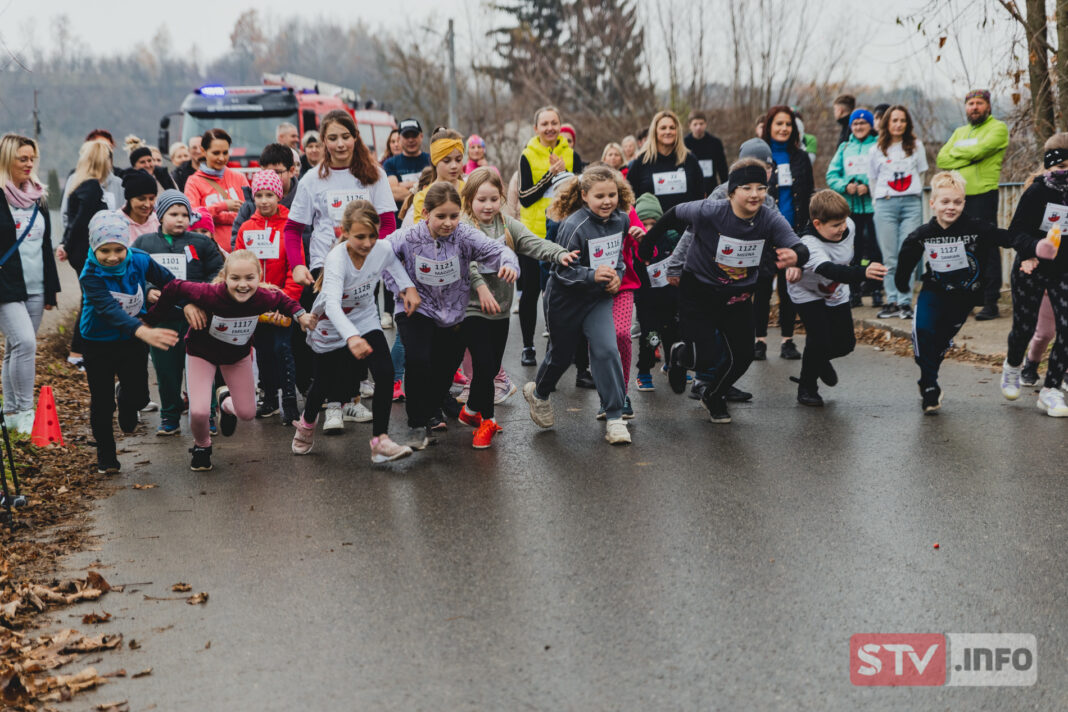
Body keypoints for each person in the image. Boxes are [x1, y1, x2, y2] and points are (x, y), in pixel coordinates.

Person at [645, 160, 809, 424]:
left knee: (743, 356)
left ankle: (713, 395)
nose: (755, 194)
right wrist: (647, 245)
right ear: (732, 192)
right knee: (703, 358)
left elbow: (798, 245)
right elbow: (674, 214)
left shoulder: (769, 218)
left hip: (736, 297)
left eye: (761, 188)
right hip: (699, 292)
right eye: (747, 188)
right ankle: (678, 356)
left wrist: (797, 256)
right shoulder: (711, 210)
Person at [147, 250, 314, 470]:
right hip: (201, 353)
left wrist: (301, 315)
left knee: (247, 414)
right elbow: (174, 286)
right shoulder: (209, 294)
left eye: (249, 278)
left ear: (259, 277)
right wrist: (150, 320)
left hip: (236, 357)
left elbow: (284, 301)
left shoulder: (263, 297)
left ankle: (225, 403)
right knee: (199, 411)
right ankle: (202, 446)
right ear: (225, 277)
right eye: (235, 278)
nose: (242, 285)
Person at [387, 182, 518, 450]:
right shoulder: (408, 237)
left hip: (453, 312)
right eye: (441, 216)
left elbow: (497, 250)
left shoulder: (464, 235)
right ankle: (416, 425)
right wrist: (404, 287)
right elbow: (382, 257)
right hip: (416, 308)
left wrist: (508, 263)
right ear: (426, 214)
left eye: (454, 216)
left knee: (444, 370)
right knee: (418, 360)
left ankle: (430, 409)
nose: (448, 223)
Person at [460, 168, 577, 448]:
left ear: (501, 198)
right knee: (484, 365)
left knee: (490, 368)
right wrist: (480, 286)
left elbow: (533, 243)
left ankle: (471, 410)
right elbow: (466, 265)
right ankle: (487, 421)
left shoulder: (507, 225)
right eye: (481, 200)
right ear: (469, 200)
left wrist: (559, 253)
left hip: (500, 308)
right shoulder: (463, 227)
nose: (488, 206)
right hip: (471, 308)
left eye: (493, 199)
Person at [297, 200, 420, 460]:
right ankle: (306, 425)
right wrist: (351, 337)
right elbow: (331, 305)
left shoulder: (381, 248)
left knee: (385, 373)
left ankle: (380, 441)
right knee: (324, 382)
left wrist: (408, 287)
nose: (367, 243)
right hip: (330, 322)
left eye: (372, 236)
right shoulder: (336, 259)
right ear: (345, 232)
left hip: (364, 317)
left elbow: (393, 264)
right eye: (360, 237)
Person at [523, 166, 633, 445]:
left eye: (612, 195)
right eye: (600, 196)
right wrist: (592, 275)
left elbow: (618, 258)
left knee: (607, 350)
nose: (607, 202)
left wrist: (617, 277)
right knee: (561, 356)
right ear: (584, 196)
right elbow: (559, 270)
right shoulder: (573, 225)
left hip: (597, 298)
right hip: (565, 299)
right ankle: (539, 393)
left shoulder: (621, 219)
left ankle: (615, 417)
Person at [896, 171, 1012, 413]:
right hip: (933, 290)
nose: (951, 207)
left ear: (964, 203)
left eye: (957, 202)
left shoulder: (976, 228)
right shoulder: (924, 234)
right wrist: (901, 282)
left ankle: (927, 377)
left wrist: (1033, 247)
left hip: (963, 297)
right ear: (933, 203)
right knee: (923, 330)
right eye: (945, 201)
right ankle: (930, 387)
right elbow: (907, 255)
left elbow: (1005, 237)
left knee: (939, 343)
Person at [79, 211, 180, 473]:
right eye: (104, 251)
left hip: (131, 342)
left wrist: (190, 302)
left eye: (118, 249)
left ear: (126, 246)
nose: (112, 257)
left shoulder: (140, 260)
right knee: (102, 402)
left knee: (139, 397)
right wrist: (143, 330)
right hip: (98, 342)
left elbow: (172, 283)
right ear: (94, 248)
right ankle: (107, 456)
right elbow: (109, 310)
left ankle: (126, 399)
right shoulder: (90, 274)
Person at [131, 190, 225, 435]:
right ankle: (170, 417)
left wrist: (199, 296)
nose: (181, 219)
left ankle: (207, 415)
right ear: (160, 216)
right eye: (174, 214)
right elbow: (132, 274)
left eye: (185, 214)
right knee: (167, 372)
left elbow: (217, 274)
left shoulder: (202, 243)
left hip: (198, 319)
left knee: (202, 370)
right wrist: (148, 290)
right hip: (161, 320)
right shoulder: (143, 244)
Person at [786, 190, 887, 406]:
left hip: (835, 289)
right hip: (807, 290)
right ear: (817, 224)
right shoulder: (809, 244)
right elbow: (831, 270)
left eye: (843, 222)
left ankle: (819, 360)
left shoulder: (848, 225)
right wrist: (863, 272)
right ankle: (807, 388)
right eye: (835, 225)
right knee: (819, 338)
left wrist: (859, 267)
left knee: (845, 344)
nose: (842, 228)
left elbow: (850, 256)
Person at [999, 133, 1068, 416]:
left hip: (1063, 270)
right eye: (1061, 167)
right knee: (1025, 328)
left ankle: (1051, 389)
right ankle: (1013, 365)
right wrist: (1033, 250)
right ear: (1050, 165)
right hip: (1032, 266)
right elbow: (1015, 233)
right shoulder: (1038, 192)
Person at [0, 134, 59, 433]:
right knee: (25, 343)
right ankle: (24, 411)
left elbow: (46, 245)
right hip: (6, 286)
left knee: (15, 348)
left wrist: (51, 289)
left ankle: (10, 413)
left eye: (32, 158)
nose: (28, 164)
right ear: (6, 159)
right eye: (22, 158)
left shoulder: (38, 196)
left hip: (36, 286)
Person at [234, 170, 303, 425]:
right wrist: (248, 300)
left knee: (282, 349)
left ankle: (290, 402)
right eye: (259, 195)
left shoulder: (289, 227)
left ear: (279, 196)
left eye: (269, 195)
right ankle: (270, 399)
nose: (264, 201)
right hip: (255, 304)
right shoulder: (246, 228)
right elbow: (237, 265)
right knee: (263, 351)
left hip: (282, 303)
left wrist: (286, 301)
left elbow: (295, 267)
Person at [518, 106, 584, 367]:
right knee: (531, 291)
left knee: (560, 293)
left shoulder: (572, 155)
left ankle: (558, 348)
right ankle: (528, 347)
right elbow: (524, 197)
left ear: (560, 125)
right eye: (544, 124)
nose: (549, 128)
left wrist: (568, 177)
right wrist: (550, 176)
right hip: (533, 235)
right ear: (536, 128)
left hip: (564, 234)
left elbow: (582, 195)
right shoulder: (527, 154)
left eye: (554, 123)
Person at [936, 89, 1010, 321]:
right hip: (959, 197)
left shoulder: (998, 128)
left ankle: (990, 302)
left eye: (979, 103)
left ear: (988, 106)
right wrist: (970, 155)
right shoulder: (959, 132)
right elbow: (942, 158)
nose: (974, 107)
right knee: (960, 247)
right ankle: (965, 299)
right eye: (970, 104)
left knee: (986, 246)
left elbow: (980, 150)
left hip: (983, 195)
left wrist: (959, 154)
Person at [754, 105, 813, 360]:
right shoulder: (759, 156)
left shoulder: (801, 158)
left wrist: (806, 232)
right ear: (769, 126)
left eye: (788, 124)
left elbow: (808, 195)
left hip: (792, 231)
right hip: (764, 232)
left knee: (789, 286)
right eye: (779, 123)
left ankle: (788, 340)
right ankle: (759, 340)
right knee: (762, 287)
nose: (784, 128)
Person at [59, 140, 114, 368]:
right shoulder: (92, 187)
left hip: (80, 251)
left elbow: (74, 221)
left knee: (90, 299)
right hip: (86, 252)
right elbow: (80, 222)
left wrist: (65, 244)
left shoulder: (81, 184)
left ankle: (81, 351)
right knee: (90, 301)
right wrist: (66, 245)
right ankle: (77, 352)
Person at [869, 104, 927, 320]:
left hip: (911, 204)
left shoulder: (916, 146)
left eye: (902, 120)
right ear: (887, 123)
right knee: (890, 257)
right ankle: (891, 300)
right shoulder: (876, 149)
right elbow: (873, 179)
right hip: (885, 205)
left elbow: (921, 173)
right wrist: (877, 202)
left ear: (907, 123)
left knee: (907, 255)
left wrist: (915, 195)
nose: (898, 124)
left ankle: (905, 302)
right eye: (894, 120)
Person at [826, 107, 883, 307]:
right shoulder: (844, 148)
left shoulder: (878, 145)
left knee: (875, 250)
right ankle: (854, 291)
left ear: (870, 125)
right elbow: (831, 175)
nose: (859, 127)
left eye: (863, 123)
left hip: (872, 207)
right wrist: (845, 186)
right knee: (853, 251)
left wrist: (869, 186)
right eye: (855, 124)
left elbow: (884, 173)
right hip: (850, 208)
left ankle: (876, 289)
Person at [183, 128, 249, 252]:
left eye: (225, 152)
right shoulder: (193, 182)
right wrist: (223, 206)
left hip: (240, 252)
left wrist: (213, 216)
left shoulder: (239, 178)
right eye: (216, 153)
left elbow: (248, 215)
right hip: (209, 252)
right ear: (204, 151)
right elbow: (193, 217)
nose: (221, 158)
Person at [231, 143, 301, 245]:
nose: (270, 177)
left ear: (291, 171)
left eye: (277, 172)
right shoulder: (249, 206)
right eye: (265, 172)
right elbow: (236, 240)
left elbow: (306, 240)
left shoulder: (302, 202)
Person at [411, 128, 467, 221]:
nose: (454, 166)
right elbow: (420, 229)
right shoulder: (423, 197)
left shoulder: (469, 191)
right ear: (435, 161)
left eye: (458, 160)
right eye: (447, 161)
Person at [383, 118, 431, 206]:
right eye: (406, 136)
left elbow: (437, 188)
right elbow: (393, 192)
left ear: (421, 136)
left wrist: (402, 185)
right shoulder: (390, 164)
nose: (410, 140)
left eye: (414, 135)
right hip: (401, 214)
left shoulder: (431, 160)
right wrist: (424, 188)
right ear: (399, 138)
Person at [683, 110, 729, 194]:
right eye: (695, 124)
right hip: (691, 187)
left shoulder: (715, 142)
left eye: (701, 124)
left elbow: (722, 168)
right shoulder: (684, 143)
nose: (698, 127)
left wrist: (726, 188)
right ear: (689, 125)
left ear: (706, 124)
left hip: (711, 187)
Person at [119, 170, 160, 240]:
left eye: (151, 199)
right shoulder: (117, 222)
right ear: (129, 199)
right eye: (141, 199)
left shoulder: (157, 221)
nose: (147, 205)